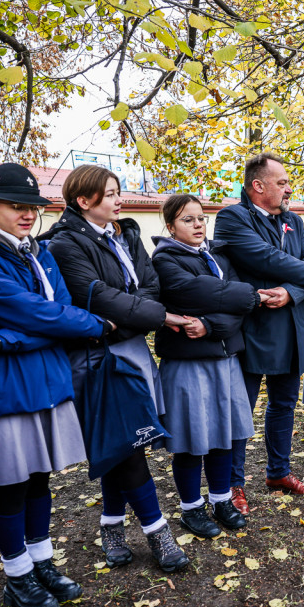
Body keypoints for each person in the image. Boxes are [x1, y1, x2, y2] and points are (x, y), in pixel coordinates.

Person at [0, 163, 113, 607]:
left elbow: (56, 312)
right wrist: (88, 325)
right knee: (12, 486)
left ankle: (42, 563)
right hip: (5, 386)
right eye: (16, 206)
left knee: (41, 478)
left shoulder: (39, 251)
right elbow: (38, 314)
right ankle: (17, 574)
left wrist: (9, 339)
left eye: (33, 207)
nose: (27, 215)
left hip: (45, 376)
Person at [40, 165, 189, 572]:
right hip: (99, 354)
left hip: (132, 348)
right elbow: (98, 299)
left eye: (117, 192)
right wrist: (142, 313)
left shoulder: (127, 234)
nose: (118, 200)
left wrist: (136, 313)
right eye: (109, 194)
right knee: (123, 442)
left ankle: (110, 525)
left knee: (121, 444)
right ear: (83, 200)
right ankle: (158, 532)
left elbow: (150, 287)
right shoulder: (64, 244)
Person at [213, 152, 304, 508]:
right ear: (258, 186)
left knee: (284, 404)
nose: (287, 189)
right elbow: (267, 258)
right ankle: (232, 483)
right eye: (281, 183)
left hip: (293, 325)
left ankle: (278, 471)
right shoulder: (232, 218)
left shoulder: (294, 223)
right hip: (253, 327)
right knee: (242, 408)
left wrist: (291, 292)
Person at [153, 194, 262, 535]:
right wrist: (233, 298)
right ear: (171, 226)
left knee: (222, 435)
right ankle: (191, 508)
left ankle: (220, 499)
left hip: (223, 358)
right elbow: (190, 293)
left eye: (201, 218)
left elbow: (237, 309)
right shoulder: (165, 260)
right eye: (188, 219)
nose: (199, 224)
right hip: (188, 364)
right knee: (191, 439)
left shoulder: (216, 256)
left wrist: (210, 324)